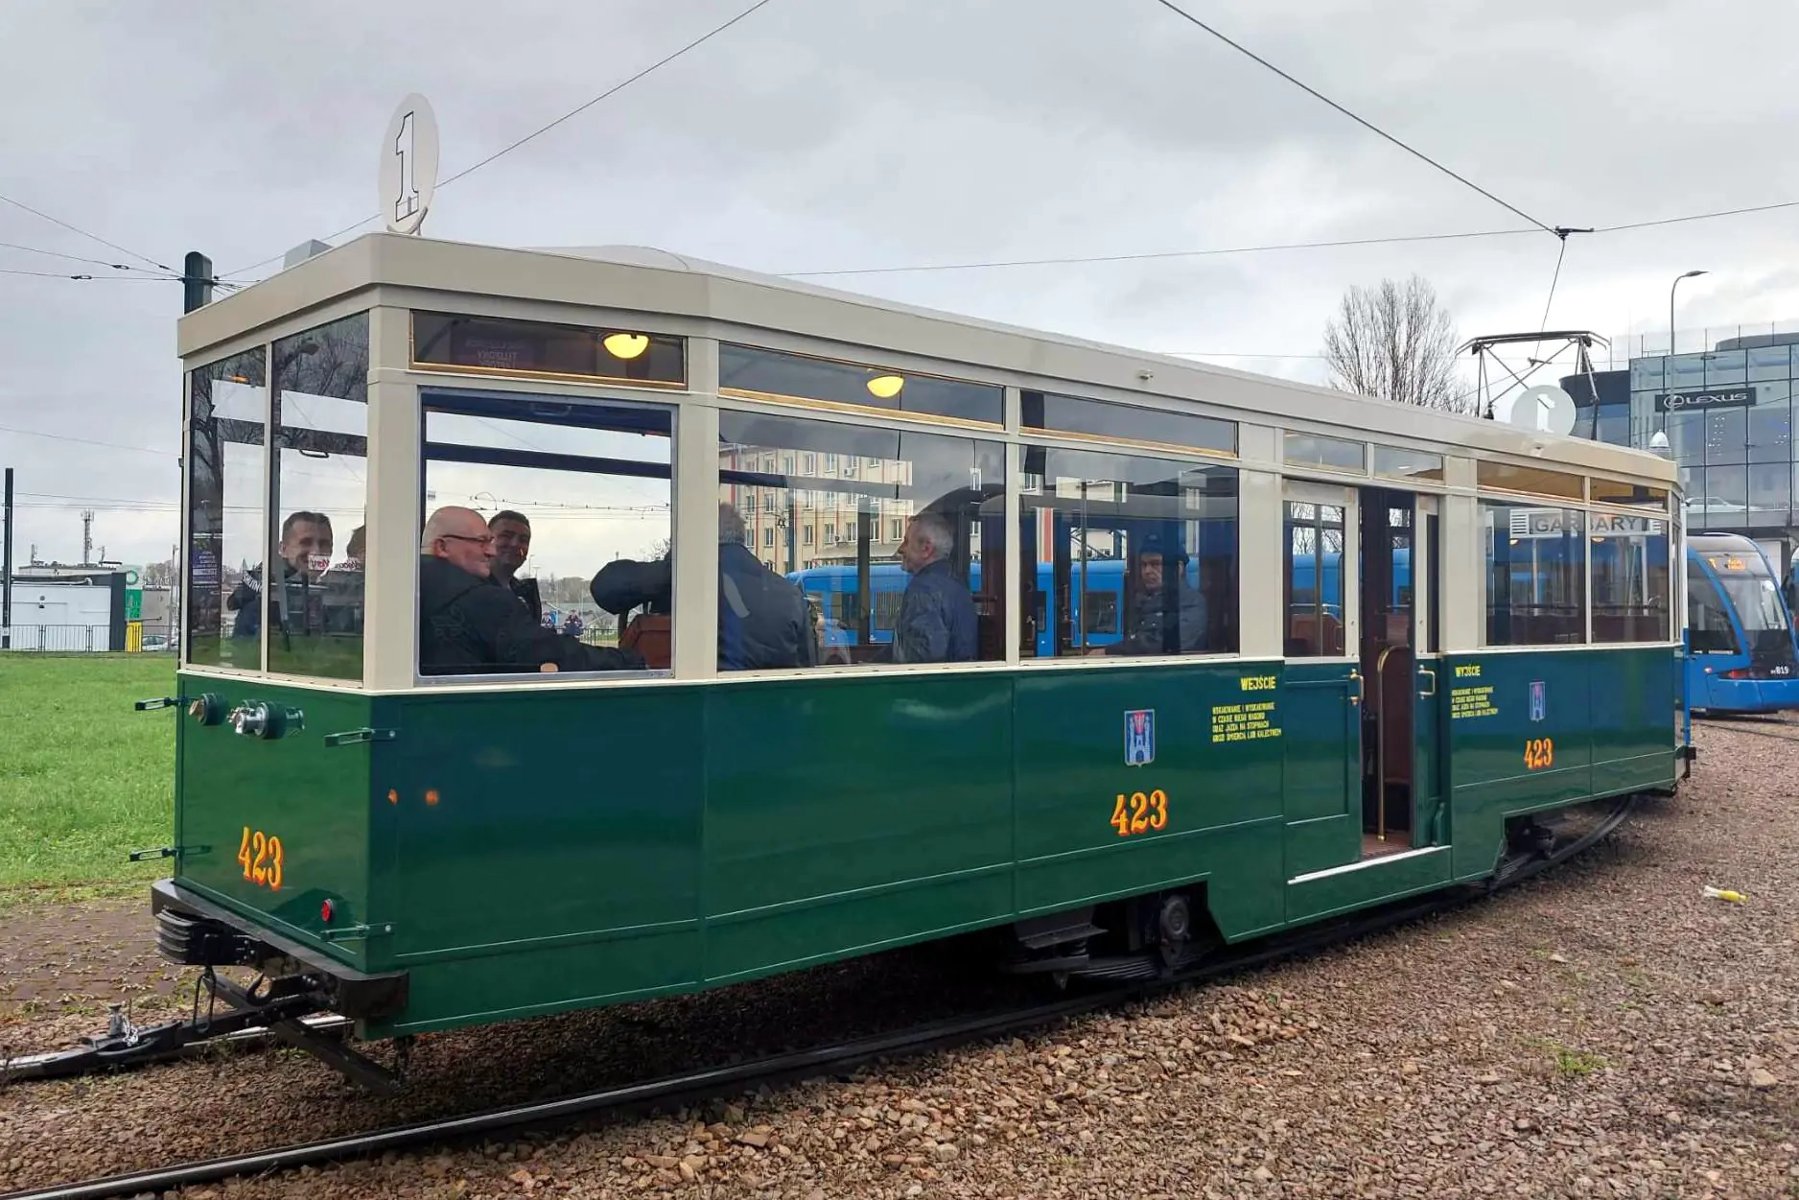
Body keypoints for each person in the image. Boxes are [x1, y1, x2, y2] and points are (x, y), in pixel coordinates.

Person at [419, 506, 642, 675]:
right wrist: (632, 662)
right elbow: (550, 653)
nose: (490, 551)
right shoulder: (482, 600)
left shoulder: (406, 590)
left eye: (490, 541)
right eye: (481, 542)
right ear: (442, 547)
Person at [590, 503, 814, 670]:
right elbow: (806, 669)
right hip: (774, 717)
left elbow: (605, 588)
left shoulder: (688, 576)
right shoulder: (790, 595)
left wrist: (676, 563)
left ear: (694, 536)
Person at [229, 511, 334, 639]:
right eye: (305, 542)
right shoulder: (267, 601)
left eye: (324, 544)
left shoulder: (332, 591)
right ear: (283, 549)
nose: (316, 551)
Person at [888, 511, 977, 663]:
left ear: (926, 548)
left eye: (906, 542)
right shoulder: (957, 583)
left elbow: (922, 661)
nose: (900, 549)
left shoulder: (923, 590)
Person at [1096, 536, 1207, 656]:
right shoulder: (1142, 601)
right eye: (1144, 565)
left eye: (1155, 564)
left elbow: (1164, 644)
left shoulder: (1192, 603)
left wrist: (1109, 651)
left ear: (1178, 568)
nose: (1147, 571)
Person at [488, 510, 543, 624]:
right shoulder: (467, 590)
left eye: (523, 540)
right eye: (506, 536)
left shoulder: (525, 595)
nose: (515, 544)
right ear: (487, 540)